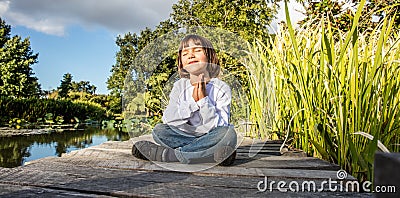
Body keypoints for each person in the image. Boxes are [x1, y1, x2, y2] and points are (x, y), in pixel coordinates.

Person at [132, 34, 237, 166]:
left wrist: (204, 101)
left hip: (212, 137)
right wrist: (193, 103)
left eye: (197, 50)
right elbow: (169, 120)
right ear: (181, 62)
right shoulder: (179, 86)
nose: (191, 55)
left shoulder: (221, 87)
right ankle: (207, 154)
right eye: (185, 53)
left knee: (228, 134)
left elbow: (220, 126)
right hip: (183, 137)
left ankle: (170, 155)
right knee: (159, 130)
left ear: (210, 57)